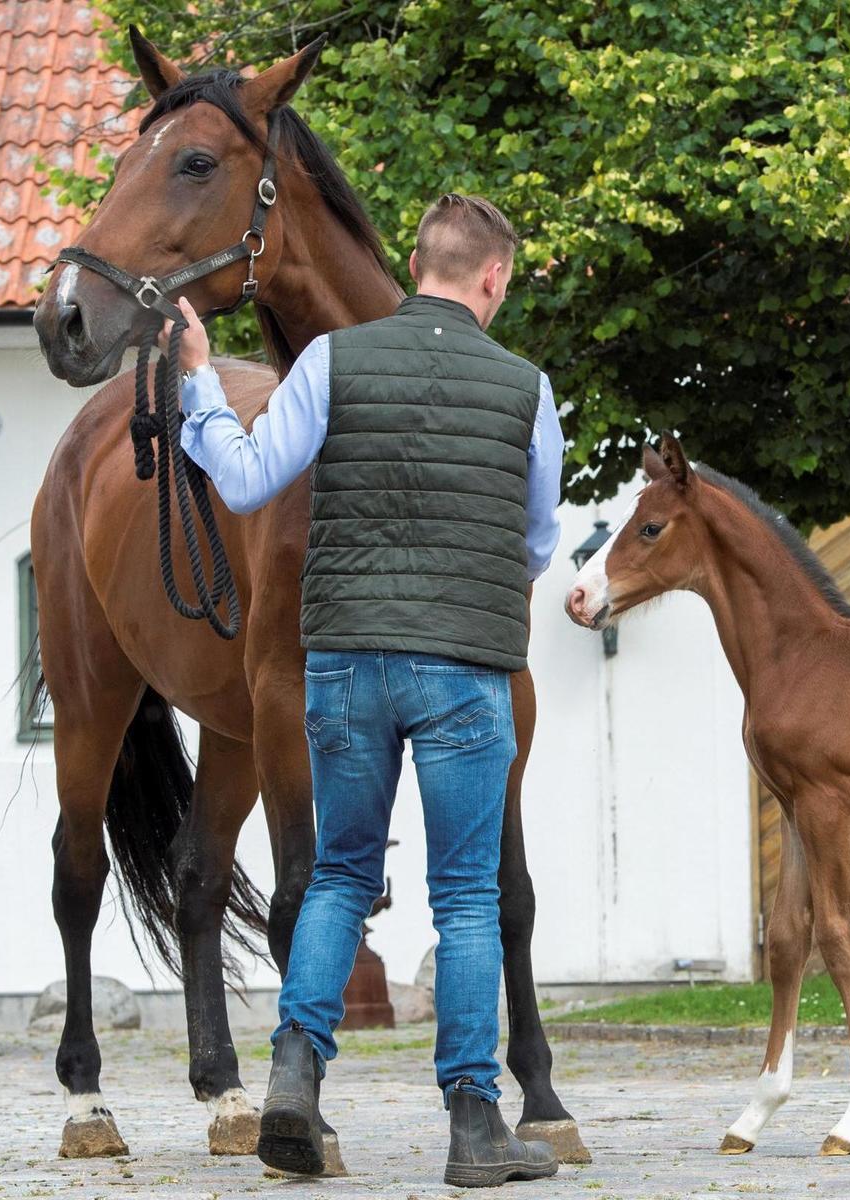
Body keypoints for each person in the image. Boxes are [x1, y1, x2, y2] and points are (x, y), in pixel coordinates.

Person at [169, 194, 564, 1188]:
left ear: (421, 262)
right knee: (468, 894)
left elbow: (251, 478)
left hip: (345, 660)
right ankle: (476, 1130)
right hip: (466, 667)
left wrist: (200, 385)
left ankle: (295, 1079)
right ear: (493, 276)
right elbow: (536, 539)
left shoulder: (330, 365)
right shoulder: (527, 388)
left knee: (341, 875)